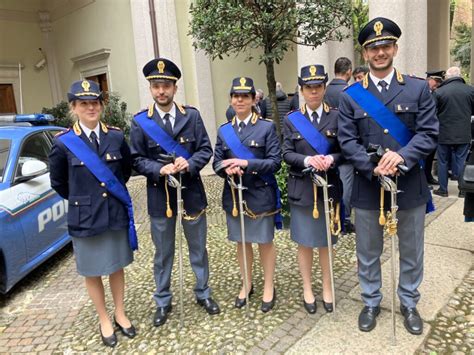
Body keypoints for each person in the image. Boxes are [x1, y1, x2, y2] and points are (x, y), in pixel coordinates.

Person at [338, 17, 438, 335]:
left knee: (411, 249)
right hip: (369, 186)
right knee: (368, 250)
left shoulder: (418, 88)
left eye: (385, 46)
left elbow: (428, 133)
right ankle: (370, 300)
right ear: (365, 54)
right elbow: (346, 140)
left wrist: (402, 156)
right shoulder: (351, 95)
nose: (380, 52)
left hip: (408, 183)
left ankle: (408, 302)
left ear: (394, 48)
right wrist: (372, 167)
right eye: (373, 48)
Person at [130, 58, 220, 327]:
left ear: (175, 88)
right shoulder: (140, 122)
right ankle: (162, 300)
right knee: (163, 252)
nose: (161, 91)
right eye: (156, 86)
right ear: (151, 89)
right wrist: (159, 169)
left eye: (166, 86)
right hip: (160, 197)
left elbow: (205, 149)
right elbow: (135, 159)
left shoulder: (191, 116)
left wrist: (189, 164)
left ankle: (203, 293)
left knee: (198, 248)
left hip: (191, 192)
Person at [49, 80, 136, 347]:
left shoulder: (116, 136)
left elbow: (126, 171)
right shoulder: (64, 143)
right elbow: (59, 183)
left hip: (114, 213)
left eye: (95, 102)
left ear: (101, 105)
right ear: (73, 107)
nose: (90, 107)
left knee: (116, 265)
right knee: (93, 271)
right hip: (85, 217)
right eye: (84, 103)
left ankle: (120, 313)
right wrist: (82, 201)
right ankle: (104, 318)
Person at [213, 77, 282, 313]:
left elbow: (275, 163)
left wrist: (246, 162)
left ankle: (269, 286)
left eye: (245, 96)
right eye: (235, 96)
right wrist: (226, 168)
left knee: (264, 242)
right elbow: (216, 163)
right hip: (234, 197)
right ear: (231, 100)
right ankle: (247, 284)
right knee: (242, 243)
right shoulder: (224, 131)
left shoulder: (266, 127)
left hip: (260, 194)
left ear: (254, 100)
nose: (239, 100)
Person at [282, 64, 343, 314]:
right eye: (309, 87)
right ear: (302, 90)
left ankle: (328, 287)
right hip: (303, 189)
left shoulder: (337, 116)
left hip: (329, 189)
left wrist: (332, 159)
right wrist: (307, 160)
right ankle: (307, 287)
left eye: (318, 87)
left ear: (324, 87)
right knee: (305, 243)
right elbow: (286, 153)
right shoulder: (291, 119)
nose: (314, 92)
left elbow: (345, 150)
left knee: (326, 243)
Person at [432, 66, 474, 198]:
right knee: (462, 160)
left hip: (443, 132)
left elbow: (433, 112)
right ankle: (463, 190)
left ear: (447, 77)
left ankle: (443, 189)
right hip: (463, 131)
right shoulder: (470, 91)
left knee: (443, 161)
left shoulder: (439, 92)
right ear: (460, 75)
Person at [424, 70, 445, 186]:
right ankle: (423, 177)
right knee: (423, 155)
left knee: (430, 155)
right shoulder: (421, 91)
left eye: (439, 82)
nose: (437, 84)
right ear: (429, 79)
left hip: (433, 128)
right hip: (423, 128)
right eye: (436, 81)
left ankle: (428, 175)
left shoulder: (434, 93)